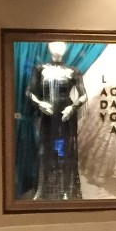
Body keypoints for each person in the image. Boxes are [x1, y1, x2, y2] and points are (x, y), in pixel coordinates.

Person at [26, 41, 87, 200]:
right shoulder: (40, 70)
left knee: (64, 151)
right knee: (44, 151)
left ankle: (66, 190)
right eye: (54, 45)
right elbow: (30, 92)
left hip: (66, 116)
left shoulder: (72, 71)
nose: (58, 49)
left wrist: (72, 108)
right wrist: (40, 104)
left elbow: (83, 95)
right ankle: (42, 190)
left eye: (61, 46)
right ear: (49, 48)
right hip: (47, 116)